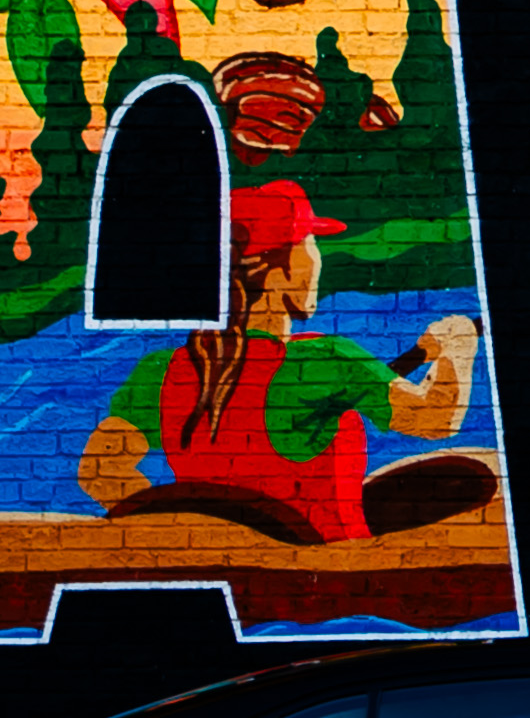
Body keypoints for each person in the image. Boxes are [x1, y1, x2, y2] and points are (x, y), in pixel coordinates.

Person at [79, 182, 478, 545]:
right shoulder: (325, 360)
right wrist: (458, 347)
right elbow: (436, 419)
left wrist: (185, 533)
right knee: (473, 476)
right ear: (278, 271)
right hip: (328, 564)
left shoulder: (160, 371)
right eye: (309, 244)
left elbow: (99, 470)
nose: (319, 260)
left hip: (218, 557)